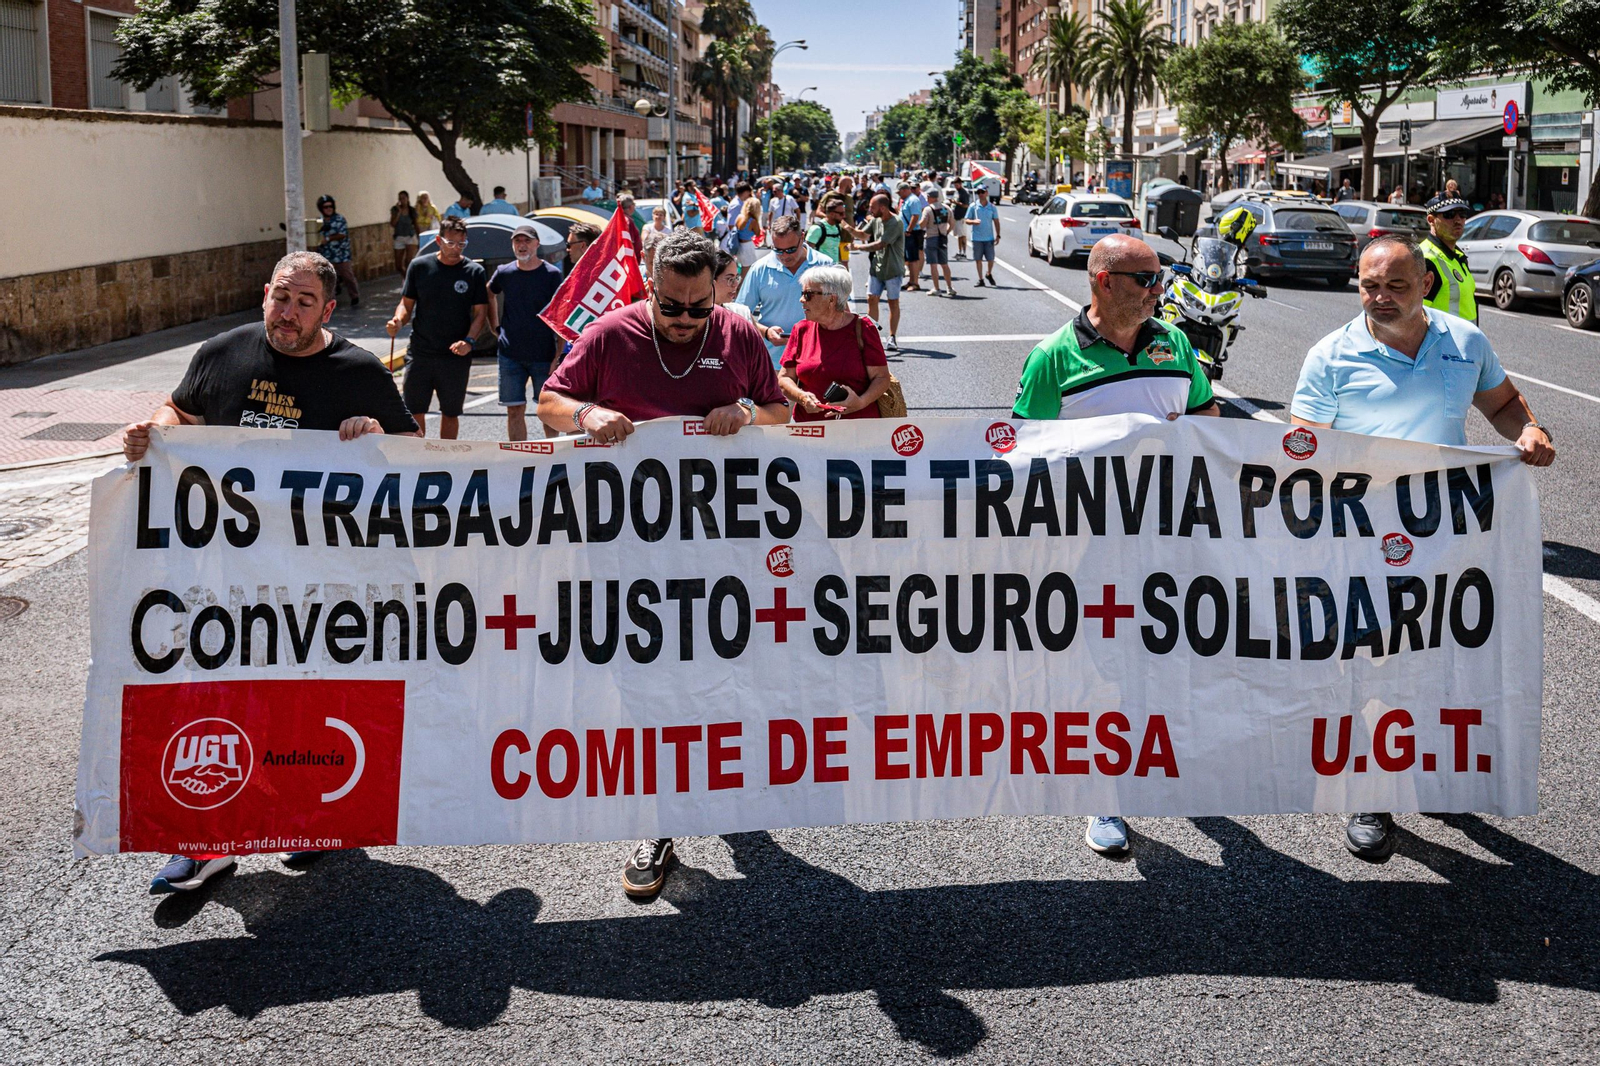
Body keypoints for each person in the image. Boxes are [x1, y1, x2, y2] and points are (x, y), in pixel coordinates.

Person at [122, 251, 421, 892]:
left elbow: (412, 453)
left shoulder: (359, 371)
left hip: (318, 582)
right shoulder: (223, 353)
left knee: (306, 701)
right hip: (219, 575)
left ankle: (309, 817)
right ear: (265, 294)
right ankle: (203, 841)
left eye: (304, 302)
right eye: (281, 298)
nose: (288, 313)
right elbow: (180, 412)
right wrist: (154, 432)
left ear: (328, 310)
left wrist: (374, 434)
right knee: (212, 699)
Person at [536, 230, 789, 898]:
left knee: (719, 680)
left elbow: (779, 409)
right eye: (671, 307)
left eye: (699, 308)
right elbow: (549, 401)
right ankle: (659, 820)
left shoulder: (737, 335)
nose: (684, 320)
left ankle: (718, 786)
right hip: (627, 554)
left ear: (717, 294)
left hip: (720, 553)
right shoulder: (609, 336)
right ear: (650, 288)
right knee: (645, 688)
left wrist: (745, 411)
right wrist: (587, 414)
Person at [1291, 237, 1554, 860]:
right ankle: (1371, 793)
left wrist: (1529, 428)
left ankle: (1432, 770)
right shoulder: (1330, 356)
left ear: (1426, 285)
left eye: (1396, 286)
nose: (1380, 298)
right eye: (1369, 286)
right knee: (1370, 664)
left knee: (1439, 658)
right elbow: (1303, 447)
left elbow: (1502, 404)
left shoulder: (1466, 342)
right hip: (1360, 539)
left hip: (1446, 537)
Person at [1011, 234, 1219, 857]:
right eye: (1146, 279)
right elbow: (1024, 453)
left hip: (1170, 539)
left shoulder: (1174, 342)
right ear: (1103, 281)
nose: (1160, 290)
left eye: (1160, 278)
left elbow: (1207, 420)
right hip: (1090, 547)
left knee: (1163, 664)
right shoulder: (1053, 357)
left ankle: (1156, 764)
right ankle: (1105, 796)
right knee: (1104, 672)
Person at [386, 216, 488, 440]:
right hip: (421, 352)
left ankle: (445, 455)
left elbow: (480, 313)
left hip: (455, 356)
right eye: (451, 243)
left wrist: (469, 341)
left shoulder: (474, 272)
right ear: (438, 240)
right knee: (414, 411)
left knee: (450, 413)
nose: (456, 249)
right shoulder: (419, 266)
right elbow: (406, 304)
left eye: (461, 244)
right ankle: (418, 455)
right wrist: (398, 320)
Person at [778, 265, 891, 422]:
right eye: (802, 294)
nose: (801, 300)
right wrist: (802, 397)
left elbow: (881, 377)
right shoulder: (801, 329)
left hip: (858, 427)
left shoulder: (863, 328)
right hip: (810, 427)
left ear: (831, 299)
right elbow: (784, 378)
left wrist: (860, 402)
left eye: (808, 294)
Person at [488, 224, 564, 441]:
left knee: (548, 411)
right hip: (510, 354)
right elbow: (489, 293)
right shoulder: (504, 272)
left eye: (527, 241)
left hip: (544, 354)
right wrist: (495, 327)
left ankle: (554, 456)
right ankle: (518, 456)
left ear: (537, 244)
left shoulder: (552, 274)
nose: (522, 245)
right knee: (514, 410)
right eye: (517, 241)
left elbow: (562, 314)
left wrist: (558, 355)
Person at [736, 214, 831, 366]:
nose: (784, 256)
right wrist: (766, 332)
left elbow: (841, 311)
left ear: (802, 237)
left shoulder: (825, 265)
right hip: (773, 362)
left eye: (791, 249)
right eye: (778, 250)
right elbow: (740, 314)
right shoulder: (760, 268)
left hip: (818, 359)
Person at [852, 192, 906, 352]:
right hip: (877, 268)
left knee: (893, 302)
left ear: (882, 208)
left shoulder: (896, 222)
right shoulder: (876, 220)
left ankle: (892, 337)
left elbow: (880, 244)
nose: (870, 210)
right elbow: (863, 234)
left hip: (892, 269)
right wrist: (846, 226)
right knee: (871, 299)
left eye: (872, 207)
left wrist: (858, 247)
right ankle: (872, 336)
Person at [1418, 193, 1477, 325]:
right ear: (1431, 220)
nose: (1458, 220)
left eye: (1462, 214)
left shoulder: (1457, 255)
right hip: (1444, 338)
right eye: (1449, 214)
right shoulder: (1427, 260)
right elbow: (1416, 317)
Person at [314, 194, 359, 308]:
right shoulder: (319, 221)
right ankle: (330, 300)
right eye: (325, 207)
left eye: (330, 206)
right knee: (327, 278)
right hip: (326, 254)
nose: (328, 209)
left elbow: (342, 234)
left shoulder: (340, 219)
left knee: (347, 276)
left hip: (341, 254)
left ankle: (354, 296)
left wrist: (328, 239)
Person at [964, 184, 1001, 287]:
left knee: (990, 259)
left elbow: (996, 221)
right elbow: (966, 220)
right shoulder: (973, 206)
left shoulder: (992, 207)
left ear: (986, 193)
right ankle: (981, 279)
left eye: (982, 192)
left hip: (989, 238)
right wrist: (973, 221)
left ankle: (988, 273)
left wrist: (998, 235)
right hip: (977, 238)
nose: (980, 194)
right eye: (979, 192)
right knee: (978, 259)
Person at [920, 187, 954, 296]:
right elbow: (952, 223)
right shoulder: (947, 208)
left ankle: (937, 288)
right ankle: (949, 287)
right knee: (944, 264)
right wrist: (946, 232)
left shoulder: (928, 209)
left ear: (930, 197)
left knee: (933, 265)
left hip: (931, 238)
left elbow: (922, 224)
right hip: (942, 238)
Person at [900, 182, 927, 291]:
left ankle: (915, 283)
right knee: (910, 258)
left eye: (900, 192)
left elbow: (915, 216)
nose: (899, 195)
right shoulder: (908, 200)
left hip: (912, 232)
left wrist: (908, 229)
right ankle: (911, 281)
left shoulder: (913, 200)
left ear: (905, 190)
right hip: (909, 232)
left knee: (913, 259)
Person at [805, 197, 847, 263]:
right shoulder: (817, 229)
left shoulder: (838, 227)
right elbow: (807, 253)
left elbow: (836, 249)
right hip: (820, 268)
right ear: (832, 214)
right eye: (841, 214)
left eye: (844, 213)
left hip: (834, 267)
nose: (844, 216)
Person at [731, 183, 764, 268]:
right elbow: (758, 233)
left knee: (742, 268)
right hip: (747, 246)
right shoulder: (753, 221)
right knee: (747, 269)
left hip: (739, 245)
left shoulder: (739, 217)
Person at [390, 191, 419, 275]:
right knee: (398, 265)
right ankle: (406, 277)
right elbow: (393, 224)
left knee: (408, 261)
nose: (402, 200)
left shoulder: (412, 210)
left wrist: (419, 236)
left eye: (403, 198)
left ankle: (409, 279)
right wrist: (399, 213)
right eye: (400, 199)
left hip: (410, 236)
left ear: (407, 198)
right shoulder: (395, 210)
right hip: (399, 237)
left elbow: (416, 224)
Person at [641, 207, 671, 276]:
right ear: (653, 215)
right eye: (656, 214)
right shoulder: (647, 227)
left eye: (661, 215)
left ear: (664, 217)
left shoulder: (668, 230)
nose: (658, 216)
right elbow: (645, 239)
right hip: (647, 258)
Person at [952, 179, 971, 260]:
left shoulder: (964, 193)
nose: (956, 186)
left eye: (957, 185)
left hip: (962, 217)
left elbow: (966, 205)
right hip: (957, 216)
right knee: (959, 235)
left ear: (960, 184)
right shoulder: (957, 192)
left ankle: (964, 253)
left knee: (963, 235)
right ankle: (960, 251)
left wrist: (956, 203)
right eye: (955, 185)